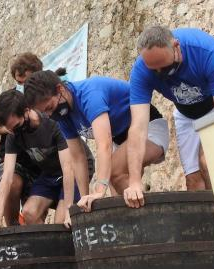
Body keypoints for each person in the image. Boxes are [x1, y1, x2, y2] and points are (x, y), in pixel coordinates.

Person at [125, 26, 214, 199]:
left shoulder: (207, 52)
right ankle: (206, 224)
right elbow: (138, 127)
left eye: (165, 67)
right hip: (187, 110)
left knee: (210, 163)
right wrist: (135, 182)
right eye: (155, 70)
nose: (160, 73)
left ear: (176, 46)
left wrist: (210, 151)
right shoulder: (141, 71)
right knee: (193, 180)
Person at [24, 70, 169, 212]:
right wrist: (84, 198)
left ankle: (153, 217)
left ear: (60, 89)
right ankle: (141, 221)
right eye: (45, 112)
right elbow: (78, 158)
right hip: (120, 140)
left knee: (113, 172)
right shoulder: (62, 116)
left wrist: (99, 190)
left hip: (147, 127)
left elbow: (104, 144)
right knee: (117, 200)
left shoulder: (89, 94)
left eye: (50, 107)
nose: (50, 114)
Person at [0, 89, 77, 235]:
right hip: (50, 174)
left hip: (73, 171)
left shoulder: (52, 124)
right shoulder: (13, 134)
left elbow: (68, 168)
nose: (14, 132)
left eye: (16, 126)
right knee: (29, 212)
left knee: (61, 223)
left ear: (27, 111)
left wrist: (68, 209)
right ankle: (47, 251)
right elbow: (7, 176)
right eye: (9, 129)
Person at [0, 53, 45, 226]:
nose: (22, 86)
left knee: (35, 215)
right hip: (9, 157)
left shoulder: (46, 97)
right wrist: (7, 127)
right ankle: (12, 228)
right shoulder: (9, 99)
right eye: (19, 82)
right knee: (12, 183)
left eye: (26, 82)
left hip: (40, 161)